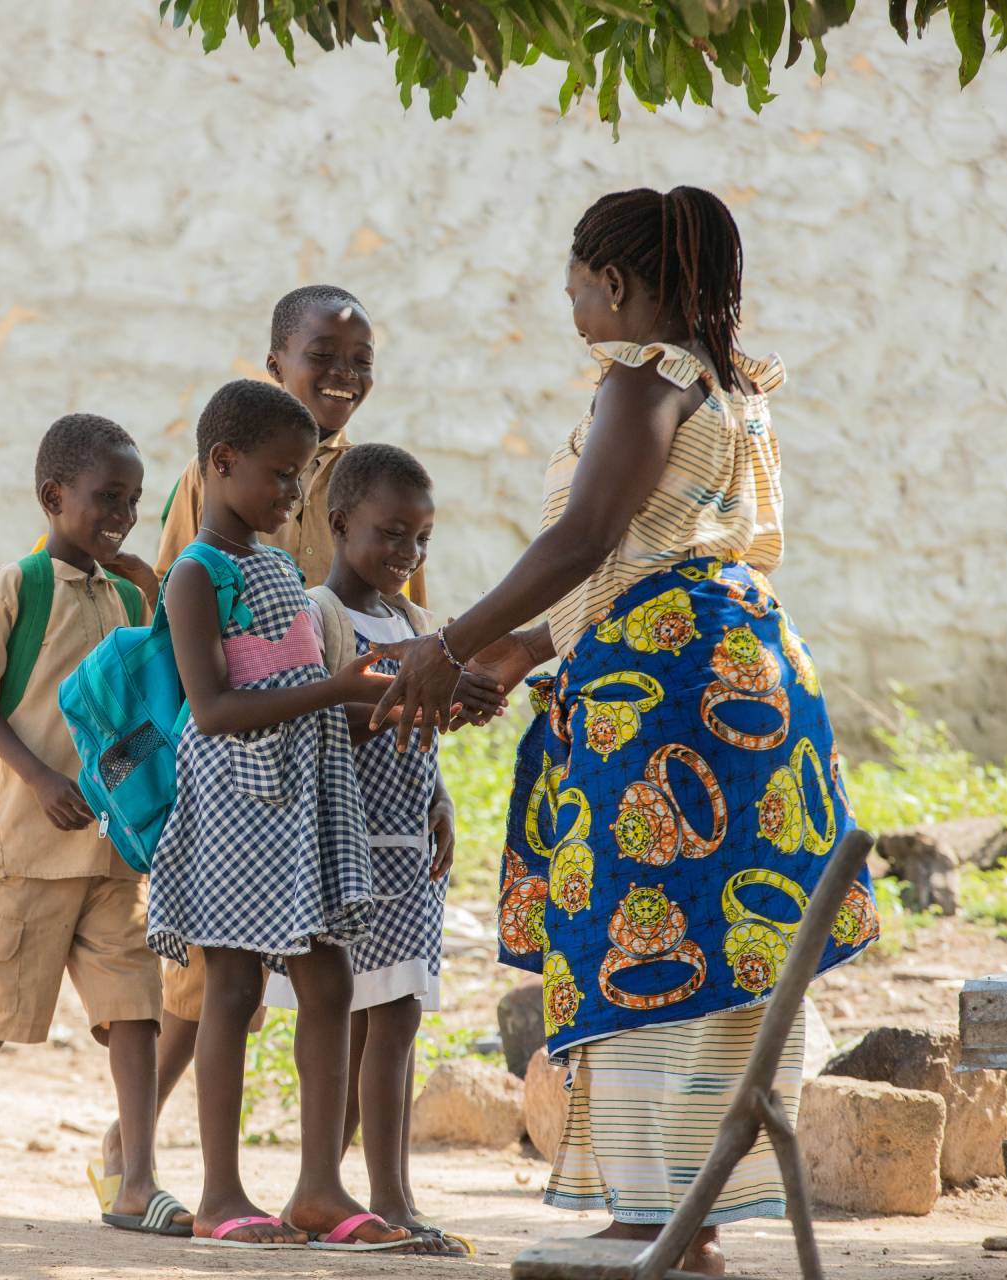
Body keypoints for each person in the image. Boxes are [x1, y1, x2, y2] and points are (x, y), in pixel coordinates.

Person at [368, 187, 880, 1274]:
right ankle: (669, 1210)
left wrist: (446, 641)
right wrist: (500, 662)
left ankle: (666, 1217)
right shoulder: (732, 386)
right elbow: (635, 565)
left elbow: (584, 539)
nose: (570, 309)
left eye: (573, 286)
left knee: (646, 927)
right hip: (727, 674)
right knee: (711, 929)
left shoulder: (647, 378)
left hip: (667, 704)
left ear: (612, 279)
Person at [108, 285, 430, 1194]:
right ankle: (160, 1169)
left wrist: (411, 690)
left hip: (319, 781)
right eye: (322, 357)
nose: (294, 495)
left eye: (359, 361)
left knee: (328, 984)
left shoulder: (305, 530)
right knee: (221, 992)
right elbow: (207, 681)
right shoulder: (214, 554)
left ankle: (320, 1188)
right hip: (244, 788)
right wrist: (339, 688)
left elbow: (384, 631)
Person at [0, 414, 193, 1237]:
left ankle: (136, 1178)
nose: (123, 514)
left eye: (134, 501)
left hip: (113, 853)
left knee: (135, 1007)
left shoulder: (127, 597)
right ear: (53, 496)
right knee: (0, 998)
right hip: (33, 846)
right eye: (106, 497)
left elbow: (138, 711)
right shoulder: (16, 588)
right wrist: (38, 778)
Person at [263, 442, 469, 1255]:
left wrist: (443, 798)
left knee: (398, 1020)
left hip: (409, 852)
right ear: (339, 522)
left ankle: (380, 1194)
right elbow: (314, 717)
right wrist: (394, 694)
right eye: (390, 534)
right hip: (346, 853)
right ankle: (375, 1197)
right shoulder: (318, 614)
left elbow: (423, 733)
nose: (407, 555)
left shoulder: (417, 623)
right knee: (362, 1024)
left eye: (421, 539)